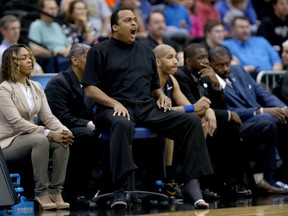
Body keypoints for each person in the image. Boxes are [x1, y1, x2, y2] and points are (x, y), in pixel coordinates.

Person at [82, 7, 213, 209]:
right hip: (112, 108)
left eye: (135, 20)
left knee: (191, 122)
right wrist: (114, 103)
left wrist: (161, 96)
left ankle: (192, 183)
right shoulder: (99, 51)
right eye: (127, 20)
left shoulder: (145, 51)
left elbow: (154, 87)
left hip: (145, 107)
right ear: (115, 27)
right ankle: (119, 188)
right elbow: (90, 89)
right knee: (121, 123)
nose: (134, 24)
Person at [0, 44, 74, 211]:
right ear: (12, 62)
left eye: (30, 57)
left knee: (62, 140)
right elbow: (16, 122)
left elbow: (48, 117)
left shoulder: (36, 86)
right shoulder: (3, 89)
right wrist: (48, 133)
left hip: (29, 136)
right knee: (41, 140)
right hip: (7, 142)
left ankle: (56, 191)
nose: (30, 60)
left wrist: (63, 130)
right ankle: (41, 193)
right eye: (24, 57)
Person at [174, 43, 253, 197]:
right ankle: (213, 183)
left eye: (206, 57)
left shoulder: (205, 75)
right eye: (201, 58)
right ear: (188, 61)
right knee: (225, 126)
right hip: (186, 121)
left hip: (206, 119)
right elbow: (193, 106)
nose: (205, 61)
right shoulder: (181, 77)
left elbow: (220, 106)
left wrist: (216, 85)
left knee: (230, 128)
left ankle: (231, 182)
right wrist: (228, 115)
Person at [209, 45, 288, 192]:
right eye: (220, 65)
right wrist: (260, 111)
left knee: (282, 118)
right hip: (236, 125)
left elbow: (262, 93)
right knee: (266, 121)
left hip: (258, 118)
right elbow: (226, 110)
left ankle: (281, 175)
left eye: (227, 63)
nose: (225, 68)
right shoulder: (209, 81)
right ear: (210, 65)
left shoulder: (238, 70)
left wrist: (284, 108)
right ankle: (267, 177)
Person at [45, 43, 99, 206]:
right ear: (75, 60)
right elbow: (60, 116)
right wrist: (89, 124)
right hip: (58, 128)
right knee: (86, 135)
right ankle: (75, 190)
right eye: (89, 57)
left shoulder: (91, 82)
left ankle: (105, 188)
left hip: (81, 127)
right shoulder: (58, 83)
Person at [28, 0, 71, 73]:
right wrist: (55, 52)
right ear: (42, 10)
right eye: (51, 8)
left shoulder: (56, 25)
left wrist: (69, 50)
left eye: (55, 8)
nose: (54, 11)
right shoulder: (36, 25)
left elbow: (68, 44)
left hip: (65, 58)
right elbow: (34, 49)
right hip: (52, 62)